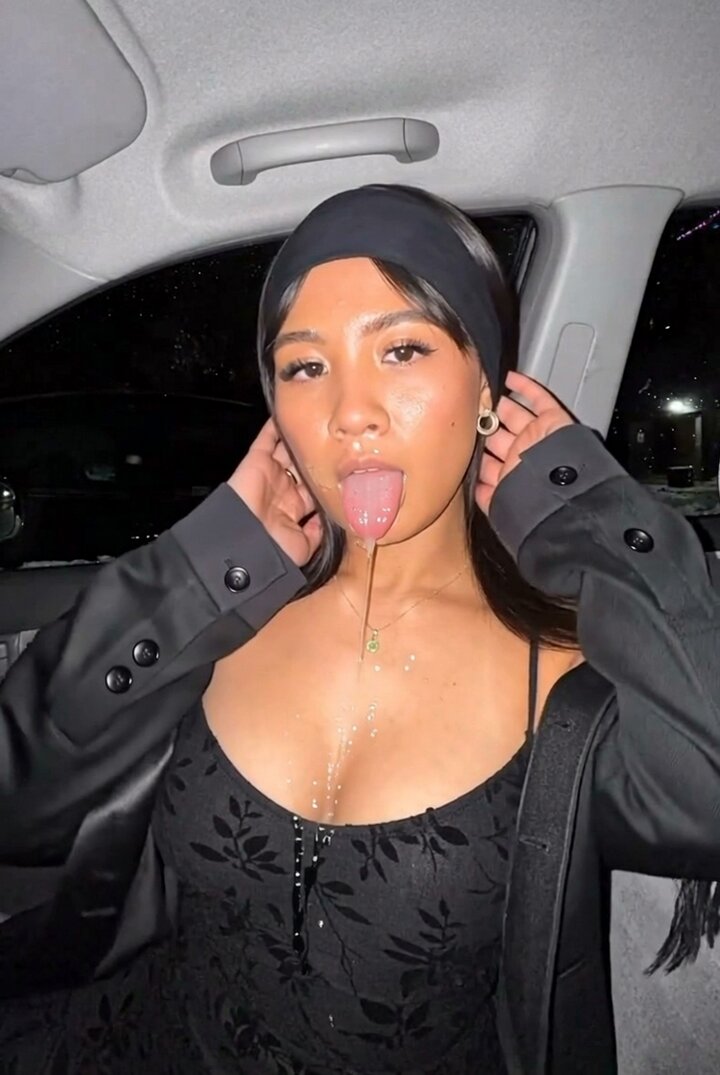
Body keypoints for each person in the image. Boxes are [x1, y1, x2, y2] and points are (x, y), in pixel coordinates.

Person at [1, 184, 720, 1075]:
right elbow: (17, 797)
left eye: (402, 349)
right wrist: (197, 565)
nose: (350, 412)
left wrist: (588, 513)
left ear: (489, 384)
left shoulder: (567, 665)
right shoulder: (221, 613)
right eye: (306, 366)